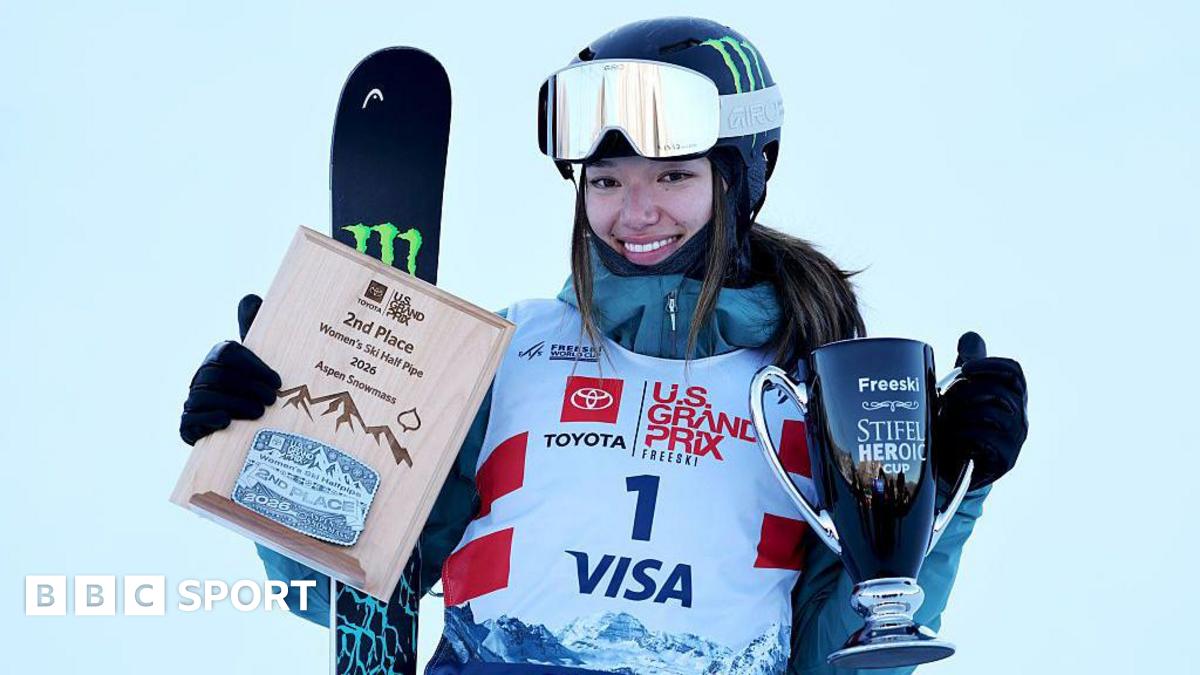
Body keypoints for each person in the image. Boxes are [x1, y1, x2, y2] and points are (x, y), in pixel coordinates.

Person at [179, 16, 1028, 675]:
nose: (636, 212)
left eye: (673, 175)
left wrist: (951, 493)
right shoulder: (508, 353)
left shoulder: (806, 389)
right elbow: (345, 593)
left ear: (745, 177)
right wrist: (270, 443)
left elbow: (840, 658)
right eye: (606, 181)